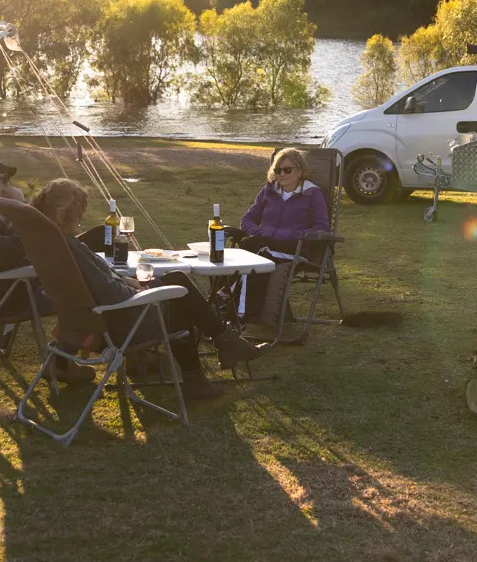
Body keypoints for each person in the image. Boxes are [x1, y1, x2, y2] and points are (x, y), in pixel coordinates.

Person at [31, 177, 264, 399]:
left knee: (175, 278)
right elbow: (111, 293)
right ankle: (204, 370)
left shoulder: (52, 243)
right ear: (67, 214)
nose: (82, 218)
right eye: (80, 212)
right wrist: (138, 292)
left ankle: (222, 347)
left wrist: (126, 280)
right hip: (118, 325)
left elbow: (99, 283)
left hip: (90, 320)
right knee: (179, 298)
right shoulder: (72, 250)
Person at [237, 147, 330, 320]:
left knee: (251, 249)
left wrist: (293, 235)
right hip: (265, 245)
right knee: (252, 249)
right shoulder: (269, 191)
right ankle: (245, 308)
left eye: (287, 170)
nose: (282, 174)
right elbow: (247, 218)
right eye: (278, 170)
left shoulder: (313, 194)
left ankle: (241, 310)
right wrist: (258, 232)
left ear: (300, 171)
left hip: (294, 248)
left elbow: (321, 227)